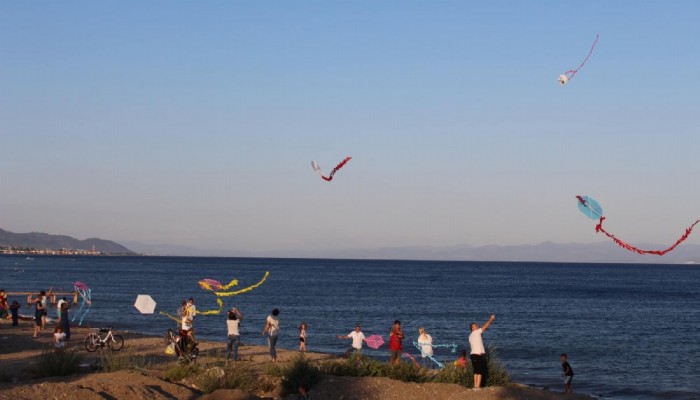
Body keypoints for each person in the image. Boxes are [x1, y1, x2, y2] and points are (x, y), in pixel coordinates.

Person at [469, 314, 495, 390]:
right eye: (475, 326)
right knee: (480, 371)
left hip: (473, 355)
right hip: (478, 355)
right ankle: (478, 386)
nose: (477, 326)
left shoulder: (470, 336)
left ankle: (475, 386)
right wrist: (491, 319)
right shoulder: (476, 332)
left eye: (476, 325)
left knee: (476, 371)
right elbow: (485, 326)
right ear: (473, 328)